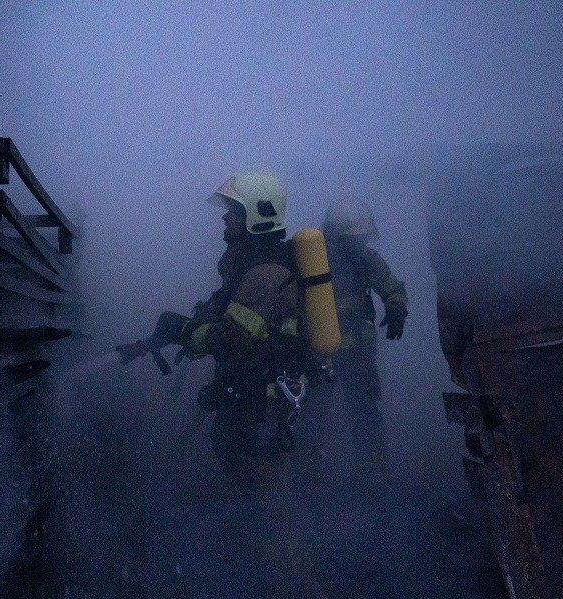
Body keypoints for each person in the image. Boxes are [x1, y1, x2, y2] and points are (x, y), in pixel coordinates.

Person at [153, 171, 307, 491]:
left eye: (234, 211)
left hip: (262, 399)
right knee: (229, 451)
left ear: (257, 217)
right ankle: (243, 527)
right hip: (247, 385)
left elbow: (231, 339)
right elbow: (226, 309)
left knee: (259, 475)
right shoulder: (250, 265)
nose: (225, 218)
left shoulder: (264, 275)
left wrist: (184, 331)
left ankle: (269, 536)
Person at [303, 195, 407, 479]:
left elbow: (391, 285)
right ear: (336, 236)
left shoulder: (365, 259)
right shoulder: (310, 261)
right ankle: (307, 476)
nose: (359, 245)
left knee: (364, 413)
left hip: (357, 354)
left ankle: (374, 475)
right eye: (353, 238)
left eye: (362, 239)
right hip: (320, 355)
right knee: (310, 415)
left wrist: (397, 307)